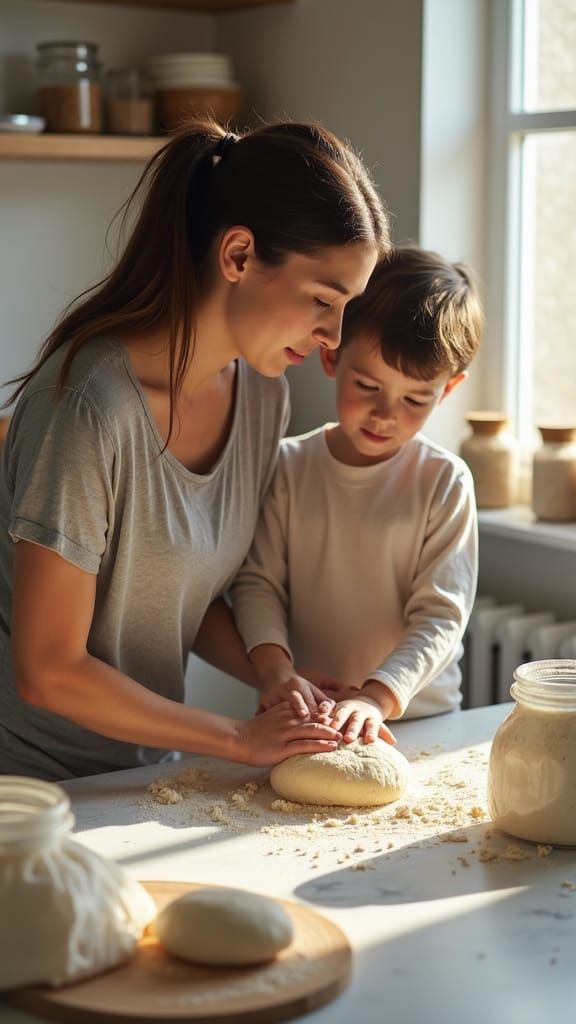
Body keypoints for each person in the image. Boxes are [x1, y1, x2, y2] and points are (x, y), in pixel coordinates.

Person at [0, 117, 391, 781]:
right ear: (237, 256)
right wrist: (240, 737)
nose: (334, 336)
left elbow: (182, 590)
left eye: (347, 307)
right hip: (27, 794)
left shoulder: (262, 395)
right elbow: (48, 670)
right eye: (324, 300)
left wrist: (278, 674)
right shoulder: (89, 406)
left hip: (142, 774)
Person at [231, 245, 484, 746]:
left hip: (421, 722)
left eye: (415, 398)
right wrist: (275, 671)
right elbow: (257, 585)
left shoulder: (444, 482)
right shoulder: (287, 467)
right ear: (331, 354)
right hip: (314, 714)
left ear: (448, 390)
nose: (386, 414)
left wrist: (375, 698)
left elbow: (440, 616)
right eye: (367, 385)